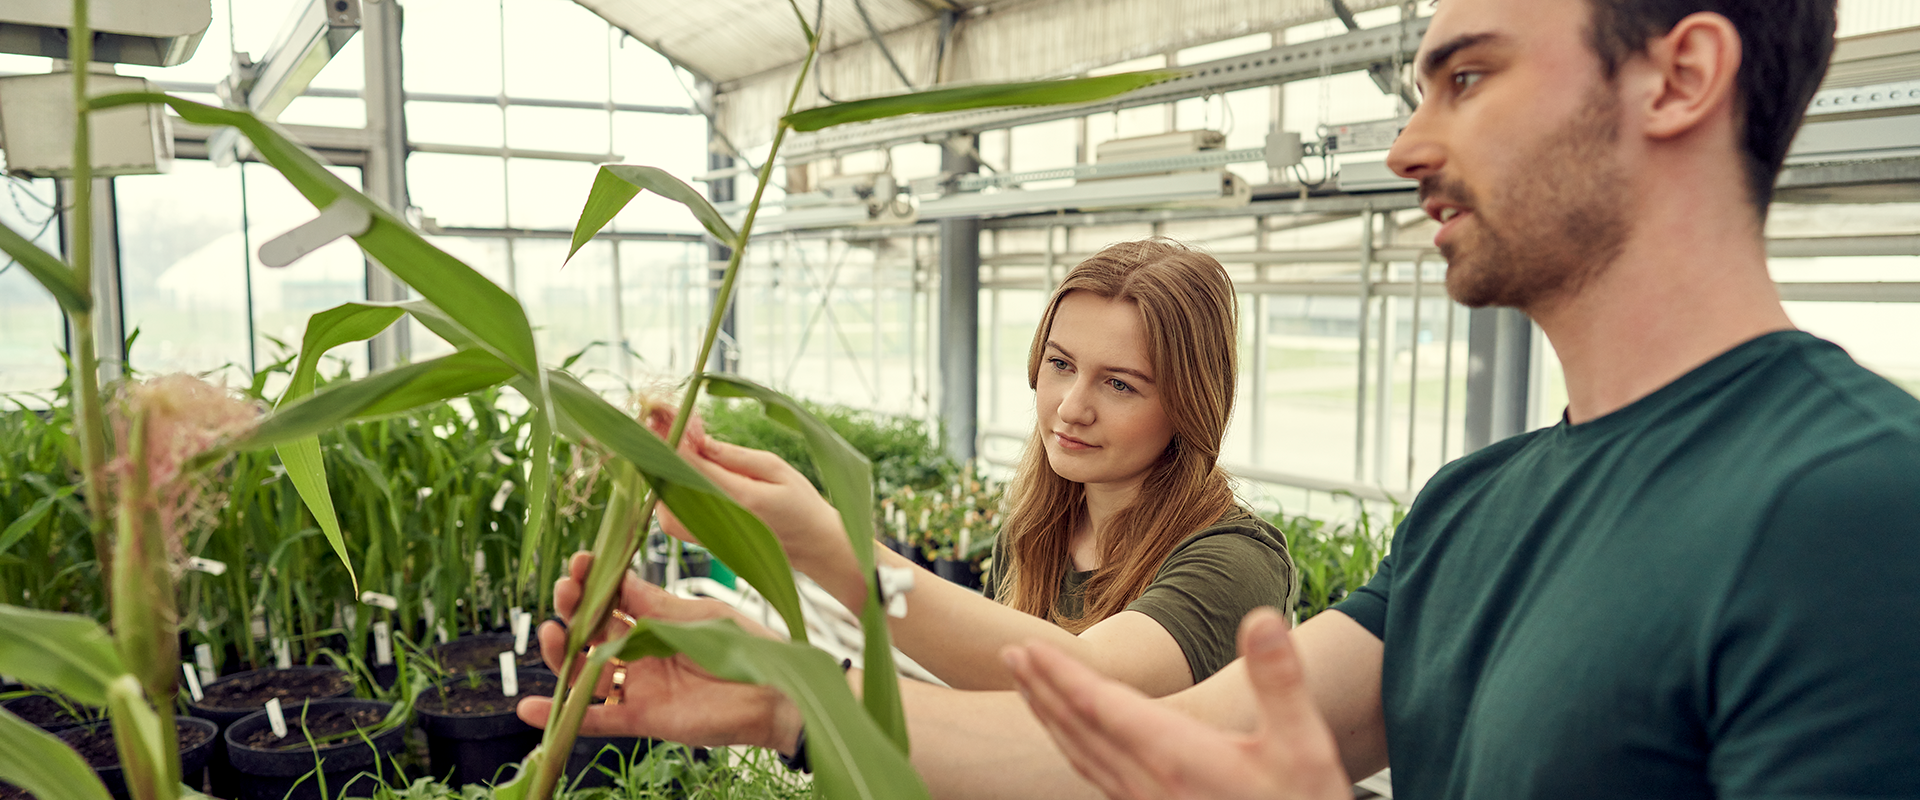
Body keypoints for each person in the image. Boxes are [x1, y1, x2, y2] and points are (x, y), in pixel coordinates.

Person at [520, 0, 1920, 797]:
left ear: (1681, 75)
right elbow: (1129, 743)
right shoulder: (1474, 510)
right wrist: (781, 694)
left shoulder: (1855, 505)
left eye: (1468, 76)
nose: (1406, 145)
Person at [654, 238, 1295, 694]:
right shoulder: (1036, 535)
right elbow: (994, 718)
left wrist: (818, 542)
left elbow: (1084, 682)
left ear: (1190, 403)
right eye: (1060, 364)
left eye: (1120, 384)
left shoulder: (1234, 563)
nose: (1071, 407)